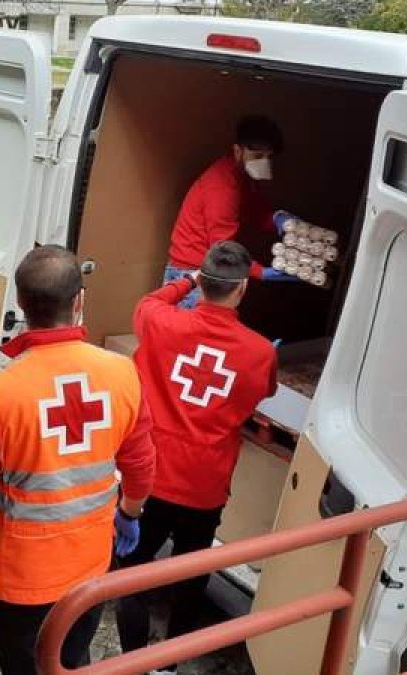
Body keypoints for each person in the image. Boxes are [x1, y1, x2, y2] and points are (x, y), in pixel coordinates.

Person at [0, 245, 156, 675]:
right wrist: (130, 513)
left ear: (21, 304)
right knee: (73, 659)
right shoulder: (121, 372)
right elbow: (140, 466)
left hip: (23, 577)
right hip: (92, 564)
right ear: (79, 302)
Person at [117, 241, 278, 674]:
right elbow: (263, 394)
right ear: (242, 288)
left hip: (150, 476)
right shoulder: (261, 352)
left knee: (130, 570)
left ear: (200, 283)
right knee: (192, 575)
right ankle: (167, 667)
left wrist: (185, 279)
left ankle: (133, 659)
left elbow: (151, 300)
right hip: (205, 486)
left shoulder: (160, 322)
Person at [166, 115, 294, 308]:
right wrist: (262, 272)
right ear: (238, 151)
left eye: (269, 157)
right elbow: (223, 250)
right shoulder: (222, 189)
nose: (264, 163)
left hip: (209, 269)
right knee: (195, 337)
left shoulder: (241, 175)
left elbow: (255, 209)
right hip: (194, 275)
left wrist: (278, 219)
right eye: (258, 156)